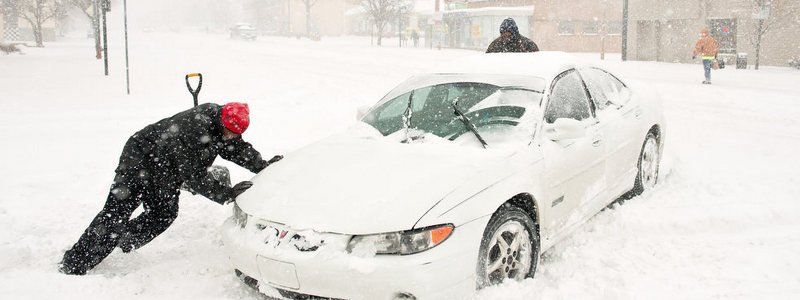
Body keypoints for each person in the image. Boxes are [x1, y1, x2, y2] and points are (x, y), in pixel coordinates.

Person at [59, 102, 282, 275]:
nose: (232, 136)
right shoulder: (193, 128)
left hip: (165, 165)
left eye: (236, 133)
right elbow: (192, 175)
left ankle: (122, 241)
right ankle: (74, 263)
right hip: (141, 157)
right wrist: (225, 194)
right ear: (223, 121)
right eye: (230, 132)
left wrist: (262, 166)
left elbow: (235, 148)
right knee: (117, 211)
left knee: (163, 214)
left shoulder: (222, 126)